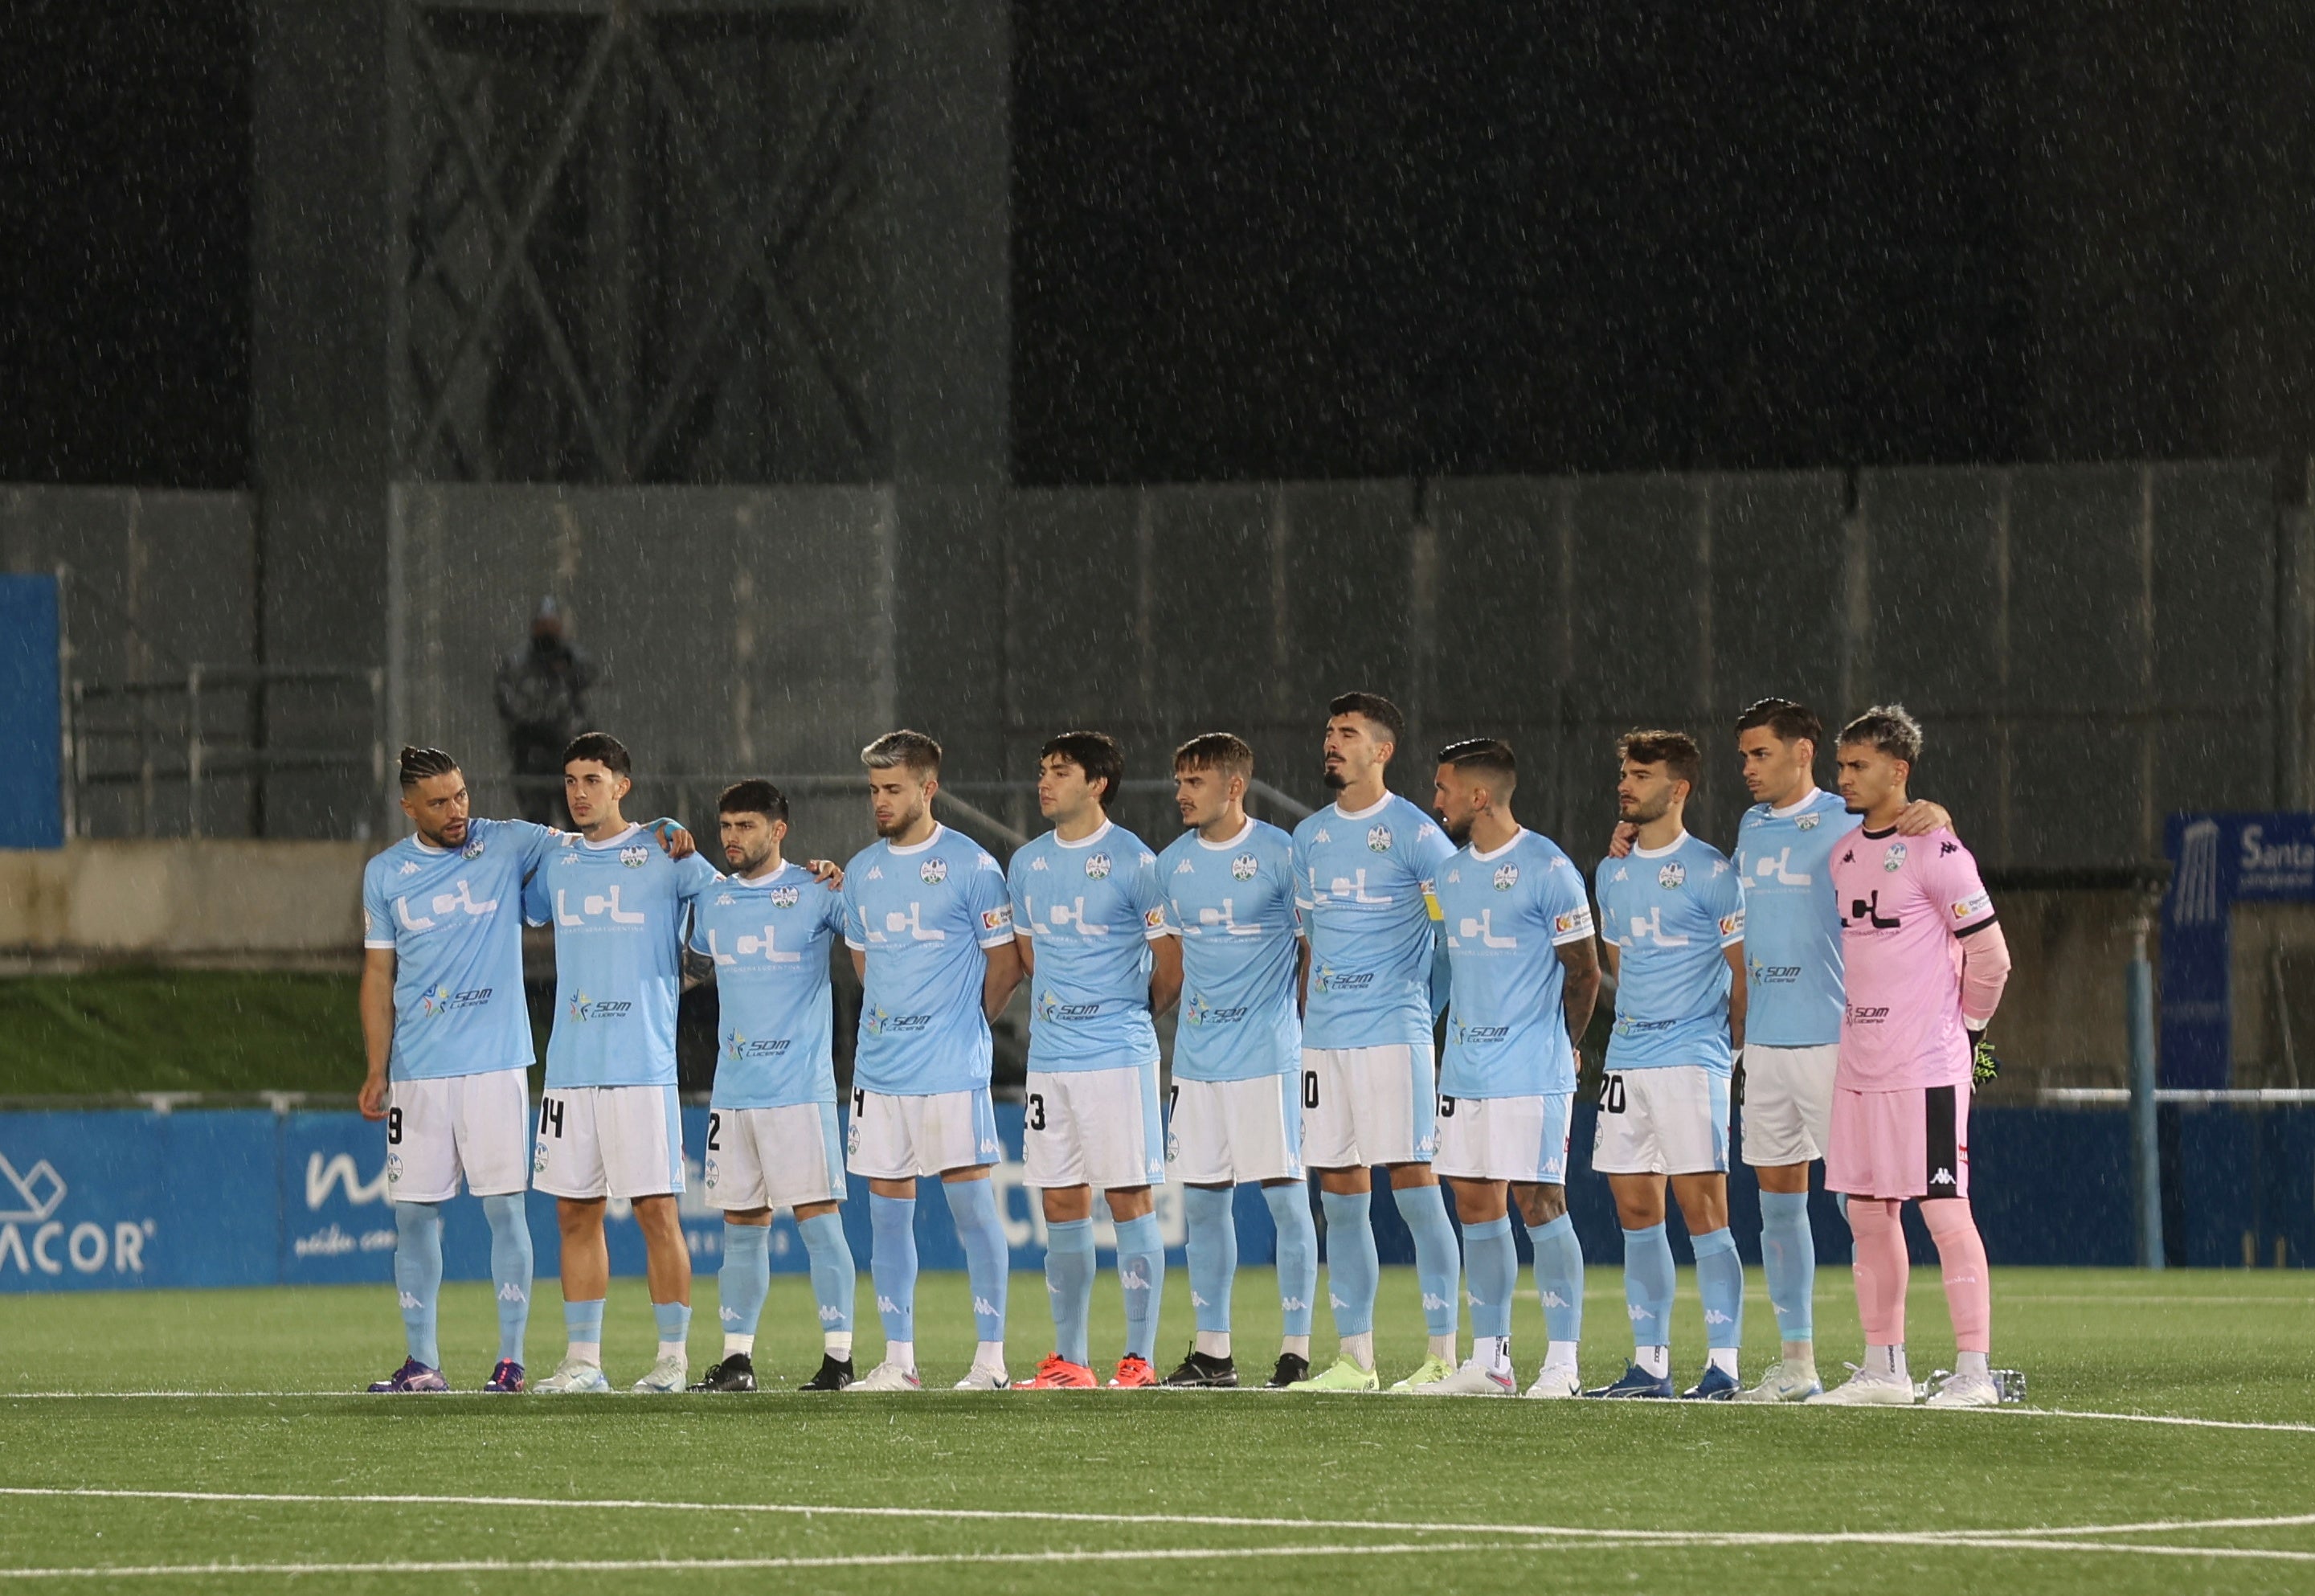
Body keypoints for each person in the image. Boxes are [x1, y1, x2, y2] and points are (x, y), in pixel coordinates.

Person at [1605, 697, 1952, 1402]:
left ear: (1803, 753)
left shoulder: (1847, 819)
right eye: (1742, 756)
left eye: (1760, 754)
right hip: (1763, 1045)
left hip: (1836, 1040)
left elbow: (1916, 846)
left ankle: (1886, 1362)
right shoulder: (1750, 828)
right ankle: (1797, 1365)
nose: (1747, 769)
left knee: (1868, 1208)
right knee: (1778, 1207)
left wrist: (1936, 814)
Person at [1810, 706, 2012, 1408]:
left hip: (1925, 1066)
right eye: (1840, 766)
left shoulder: (1939, 850)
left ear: (1899, 771)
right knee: (1866, 1214)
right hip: (1860, 1065)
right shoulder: (1840, 854)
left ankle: (1974, 1374)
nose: (1844, 778)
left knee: (1944, 1212)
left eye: (1857, 765)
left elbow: (1991, 956)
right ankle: (1883, 1370)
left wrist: (1971, 1034)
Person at [356, 747, 558, 1394]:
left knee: (504, 1208)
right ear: (408, 807)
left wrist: (661, 834)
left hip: (494, 1065)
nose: (456, 811)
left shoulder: (506, 843)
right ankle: (423, 1363)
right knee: (413, 1215)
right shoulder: (385, 874)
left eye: (462, 795)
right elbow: (378, 974)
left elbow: (595, 839)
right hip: (417, 1070)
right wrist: (375, 1066)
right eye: (439, 802)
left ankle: (511, 1359)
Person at [525, 732, 720, 1395]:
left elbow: (729, 909)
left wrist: (681, 975)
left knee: (655, 1210)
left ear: (621, 787)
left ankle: (671, 1360)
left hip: (641, 1063)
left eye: (592, 779)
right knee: (574, 1213)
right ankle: (584, 1362)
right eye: (571, 780)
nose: (579, 792)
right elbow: (514, 906)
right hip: (570, 1065)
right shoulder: (557, 861)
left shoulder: (664, 851)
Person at [841, 730, 1025, 1392]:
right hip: (880, 1073)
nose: (881, 802)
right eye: (873, 791)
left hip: (949, 1071)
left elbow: (1005, 967)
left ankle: (991, 1361)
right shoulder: (861, 871)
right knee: (887, 1214)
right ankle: (898, 1361)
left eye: (892, 789)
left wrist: (961, 1024)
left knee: (972, 1210)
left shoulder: (973, 867)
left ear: (927, 788)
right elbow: (866, 967)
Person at [1289, 692, 1462, 1393]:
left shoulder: (1419, 835)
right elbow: (1308, 943)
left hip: (1394, 1034)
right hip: (1325, 1039)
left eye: (1347, 733)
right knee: (1340, 1193)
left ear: (1381, 751)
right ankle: (1354, 1360)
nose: (1332, 743)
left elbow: (1450, 939)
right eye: (1329, 731)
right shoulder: (1308, 838)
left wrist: (1422, 1009)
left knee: (1416, 1188)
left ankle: (1442, 1356)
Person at [1421, 739, 1601, 1397]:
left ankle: (1562, 1361)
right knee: (1474, 1203)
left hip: (1529, 1066)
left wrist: (1563, 1043)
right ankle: (1491, 1360)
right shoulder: (1448, 875)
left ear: (1478, 796)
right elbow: (1445, 963)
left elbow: (1583, 971)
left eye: (1443, 789)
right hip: (1465, 1068)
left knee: (1539, 1201)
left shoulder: (1547, 867)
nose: (1435, 801)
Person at [1008, 731, 1182, 1389]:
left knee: (1128, 1196)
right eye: (1042, 770)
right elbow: (1027, 959)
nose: (1044, 782)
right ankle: (1070, 1361)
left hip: (1115, 1056)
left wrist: (1126, 1016)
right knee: (1060, 1201)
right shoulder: (1026, 863)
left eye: (1060, 771)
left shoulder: (1137, 861)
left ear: (1097, 784)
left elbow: (1170, 966)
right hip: (1051, 1059)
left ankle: (1137, 1358)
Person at [1154, 733, 1320, 1390]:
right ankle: (1213, 1353)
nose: (1180, 794)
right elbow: (1169, 963)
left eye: (1193, 782)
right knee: (1202, 1205)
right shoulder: (1170, 864)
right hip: (1196, 1061)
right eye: (1177, 781)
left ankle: (1295, 1350)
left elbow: (1312, 949)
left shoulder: (1283, 855)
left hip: (1266, 1058)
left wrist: (1300, 1025)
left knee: (1284, 1200)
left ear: (1232, 786)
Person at [1588, 730, 1749, 1400]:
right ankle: (1650, 1365)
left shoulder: (1713, 872)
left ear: (1677, 789)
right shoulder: (1610, 871)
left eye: (1641, 775)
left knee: (1704, 1209)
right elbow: (1620, 971)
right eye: (1624, 772)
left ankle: (1724, 1365)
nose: (1625, 785)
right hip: (1628, 1058)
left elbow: (1743, 980)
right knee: (1634, 1209)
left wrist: (1727, 1056)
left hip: (1692, 1059)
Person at [683, 780, 858, 1393]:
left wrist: (842, 878)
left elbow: (866, 934)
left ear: (777, 830)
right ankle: (736, 1361)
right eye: (726, 825)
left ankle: (839, 1360)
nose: (732, 837)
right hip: (733, 1092)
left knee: (818, 1220)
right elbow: (689, 969)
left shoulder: (816, 891)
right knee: (741, 1226)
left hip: (797, 1089)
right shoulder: (713, 902)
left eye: (745, 826)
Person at [494, 598, 594, 827]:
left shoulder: (574, 661)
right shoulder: (517, 663)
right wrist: (535, 726)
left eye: (552, 624)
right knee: (537, 824)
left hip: (568, 753)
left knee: (577, 820)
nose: (547, 630)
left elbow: (590, 694)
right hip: (530, 754)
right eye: (543, 624)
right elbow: (507, 701)